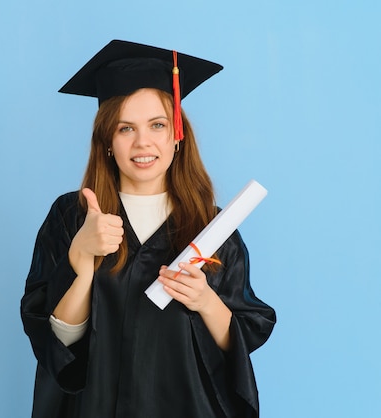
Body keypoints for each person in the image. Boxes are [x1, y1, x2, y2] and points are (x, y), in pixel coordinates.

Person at [20, 40, 276, 418]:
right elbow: (60, 346)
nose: (143, 142)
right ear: (108, 140)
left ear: (177, 134)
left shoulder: (212, 227)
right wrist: (82, 262)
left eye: (157, 125)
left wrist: (205, 301)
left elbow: (237, 343)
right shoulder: (72, 217)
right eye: (126, 128)